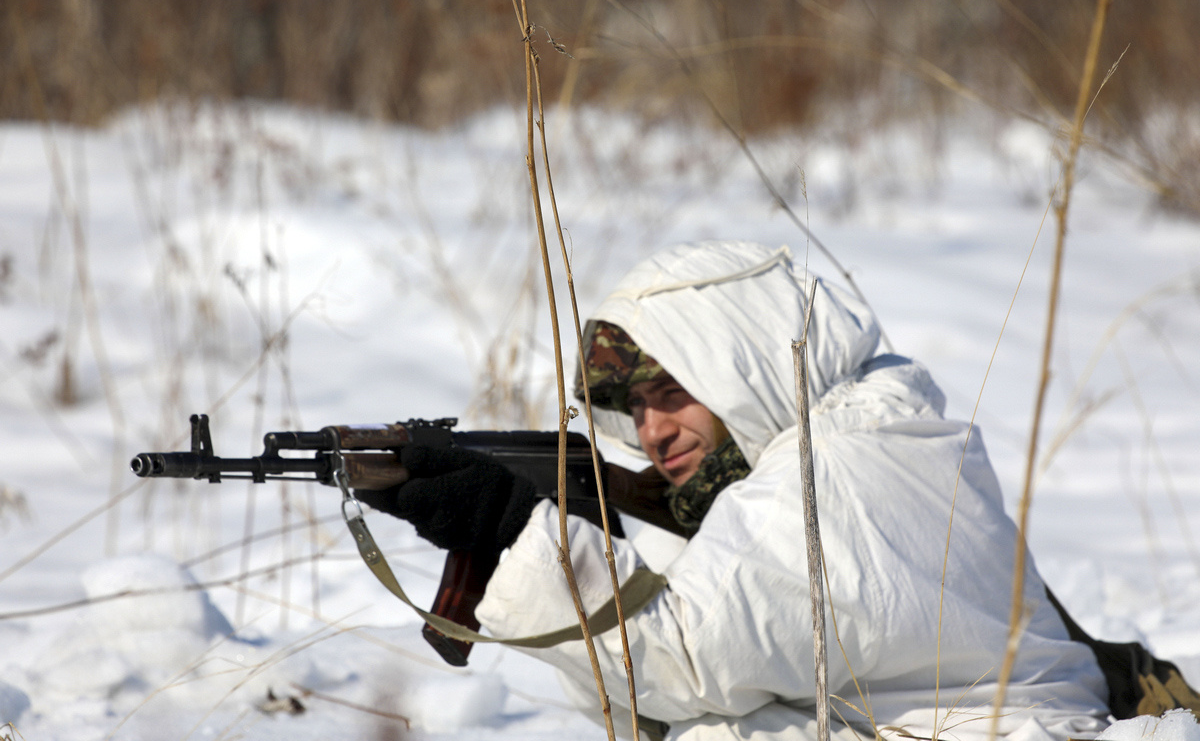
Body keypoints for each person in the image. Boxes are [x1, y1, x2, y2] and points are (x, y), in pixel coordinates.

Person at [362, 239, 1111, 741]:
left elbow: (684, 658)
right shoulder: (886, 433)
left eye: (671, 390)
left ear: (745, 358)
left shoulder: (836, 471)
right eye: (634, 407)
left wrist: (509, 523)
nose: (653, 431)